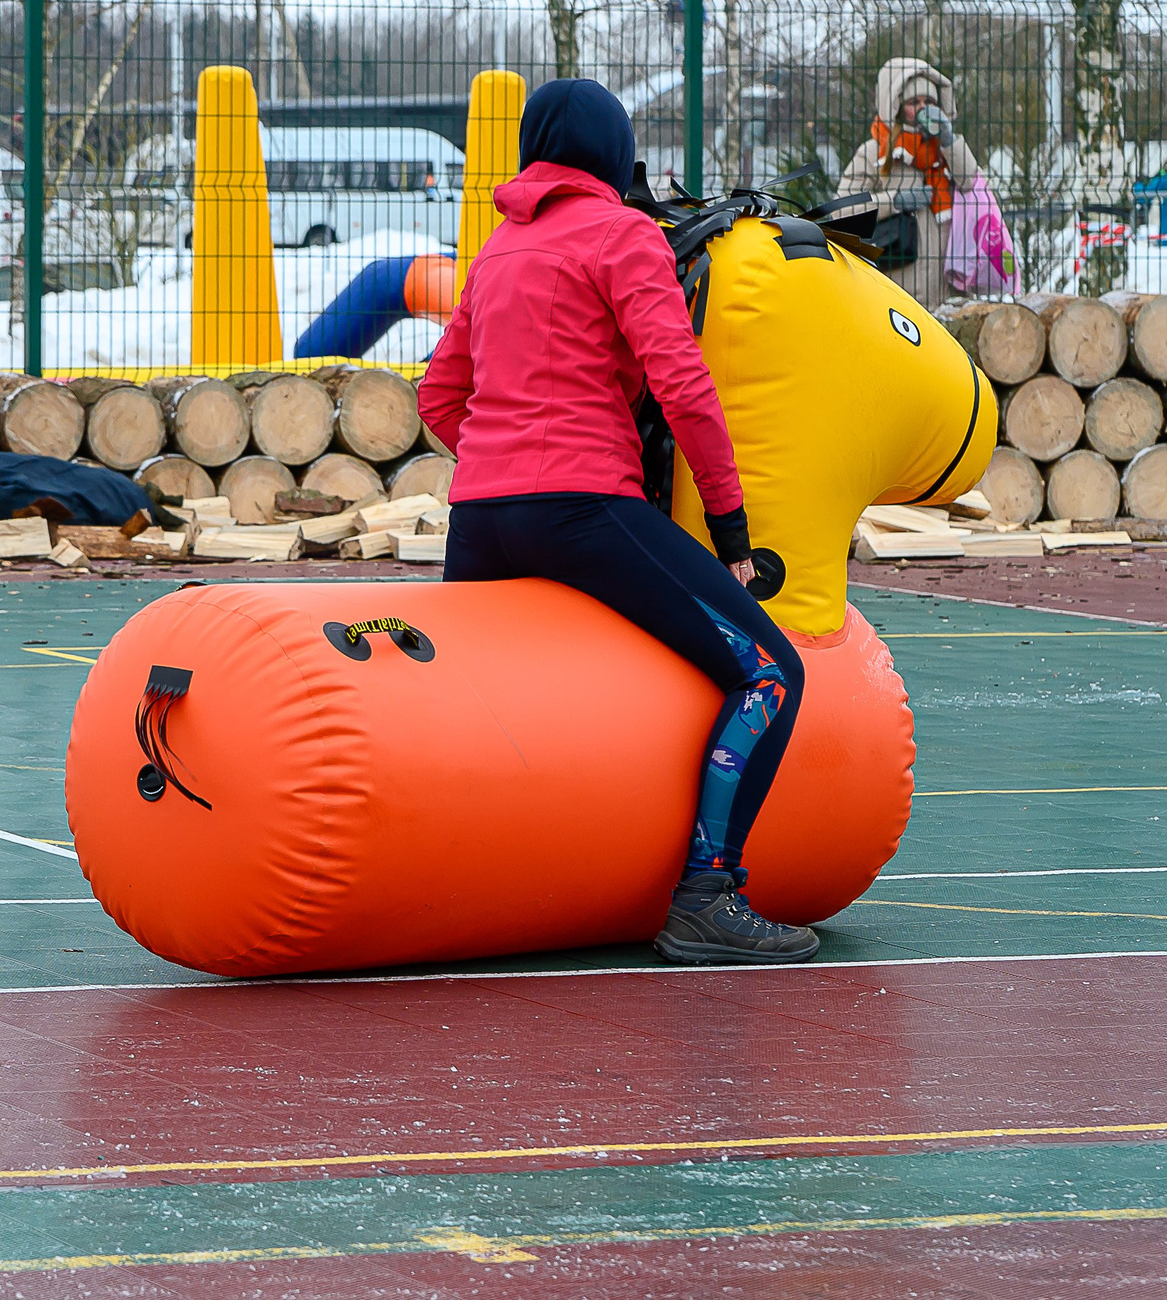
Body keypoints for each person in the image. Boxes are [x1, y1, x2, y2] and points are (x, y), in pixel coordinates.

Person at [416, 78, 816, 967]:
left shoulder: (498, 250)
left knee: (489, 707)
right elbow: (683, 387)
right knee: (770, 674)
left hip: (480, 519)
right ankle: (707, 896)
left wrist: (499, 460)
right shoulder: (624, 233)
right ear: (615, 154)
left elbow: (438, 394)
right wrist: (732, 532)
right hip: (583, 509)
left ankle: (465, 885)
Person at [836, 57, 979, 310]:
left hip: (946, 292)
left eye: (929, 102)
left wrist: (949, 140)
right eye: (915, 102)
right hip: (894, 292)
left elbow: (971, 183)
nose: (924, 109)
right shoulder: (874, 152)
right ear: (898, 107)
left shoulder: (946, 150)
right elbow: (842, 210)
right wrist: (894, 201)